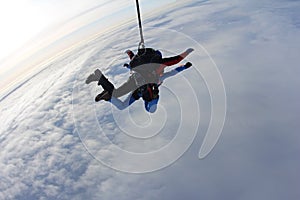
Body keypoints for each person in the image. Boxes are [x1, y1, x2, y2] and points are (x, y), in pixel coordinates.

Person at [86, 48, 194, 112]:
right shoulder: (158, 74)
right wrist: (185, 63)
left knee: (118, 97)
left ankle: (101, 81)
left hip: (135, 84)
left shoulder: (157, 78)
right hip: (136, 85)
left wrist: (130, 58)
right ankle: (103, 85)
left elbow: (137, 64)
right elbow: (174, 67)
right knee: (118, 98)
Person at [109, 62, 192, 113]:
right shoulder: (158, 78)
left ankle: (109, 97)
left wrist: (129, 67)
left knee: (122, 107)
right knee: (150, 109)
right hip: (139, 91)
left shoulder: (158, 78)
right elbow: (172, 72)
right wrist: (184, 67)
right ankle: (109, 98)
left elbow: (172, 73)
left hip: (139, 92)